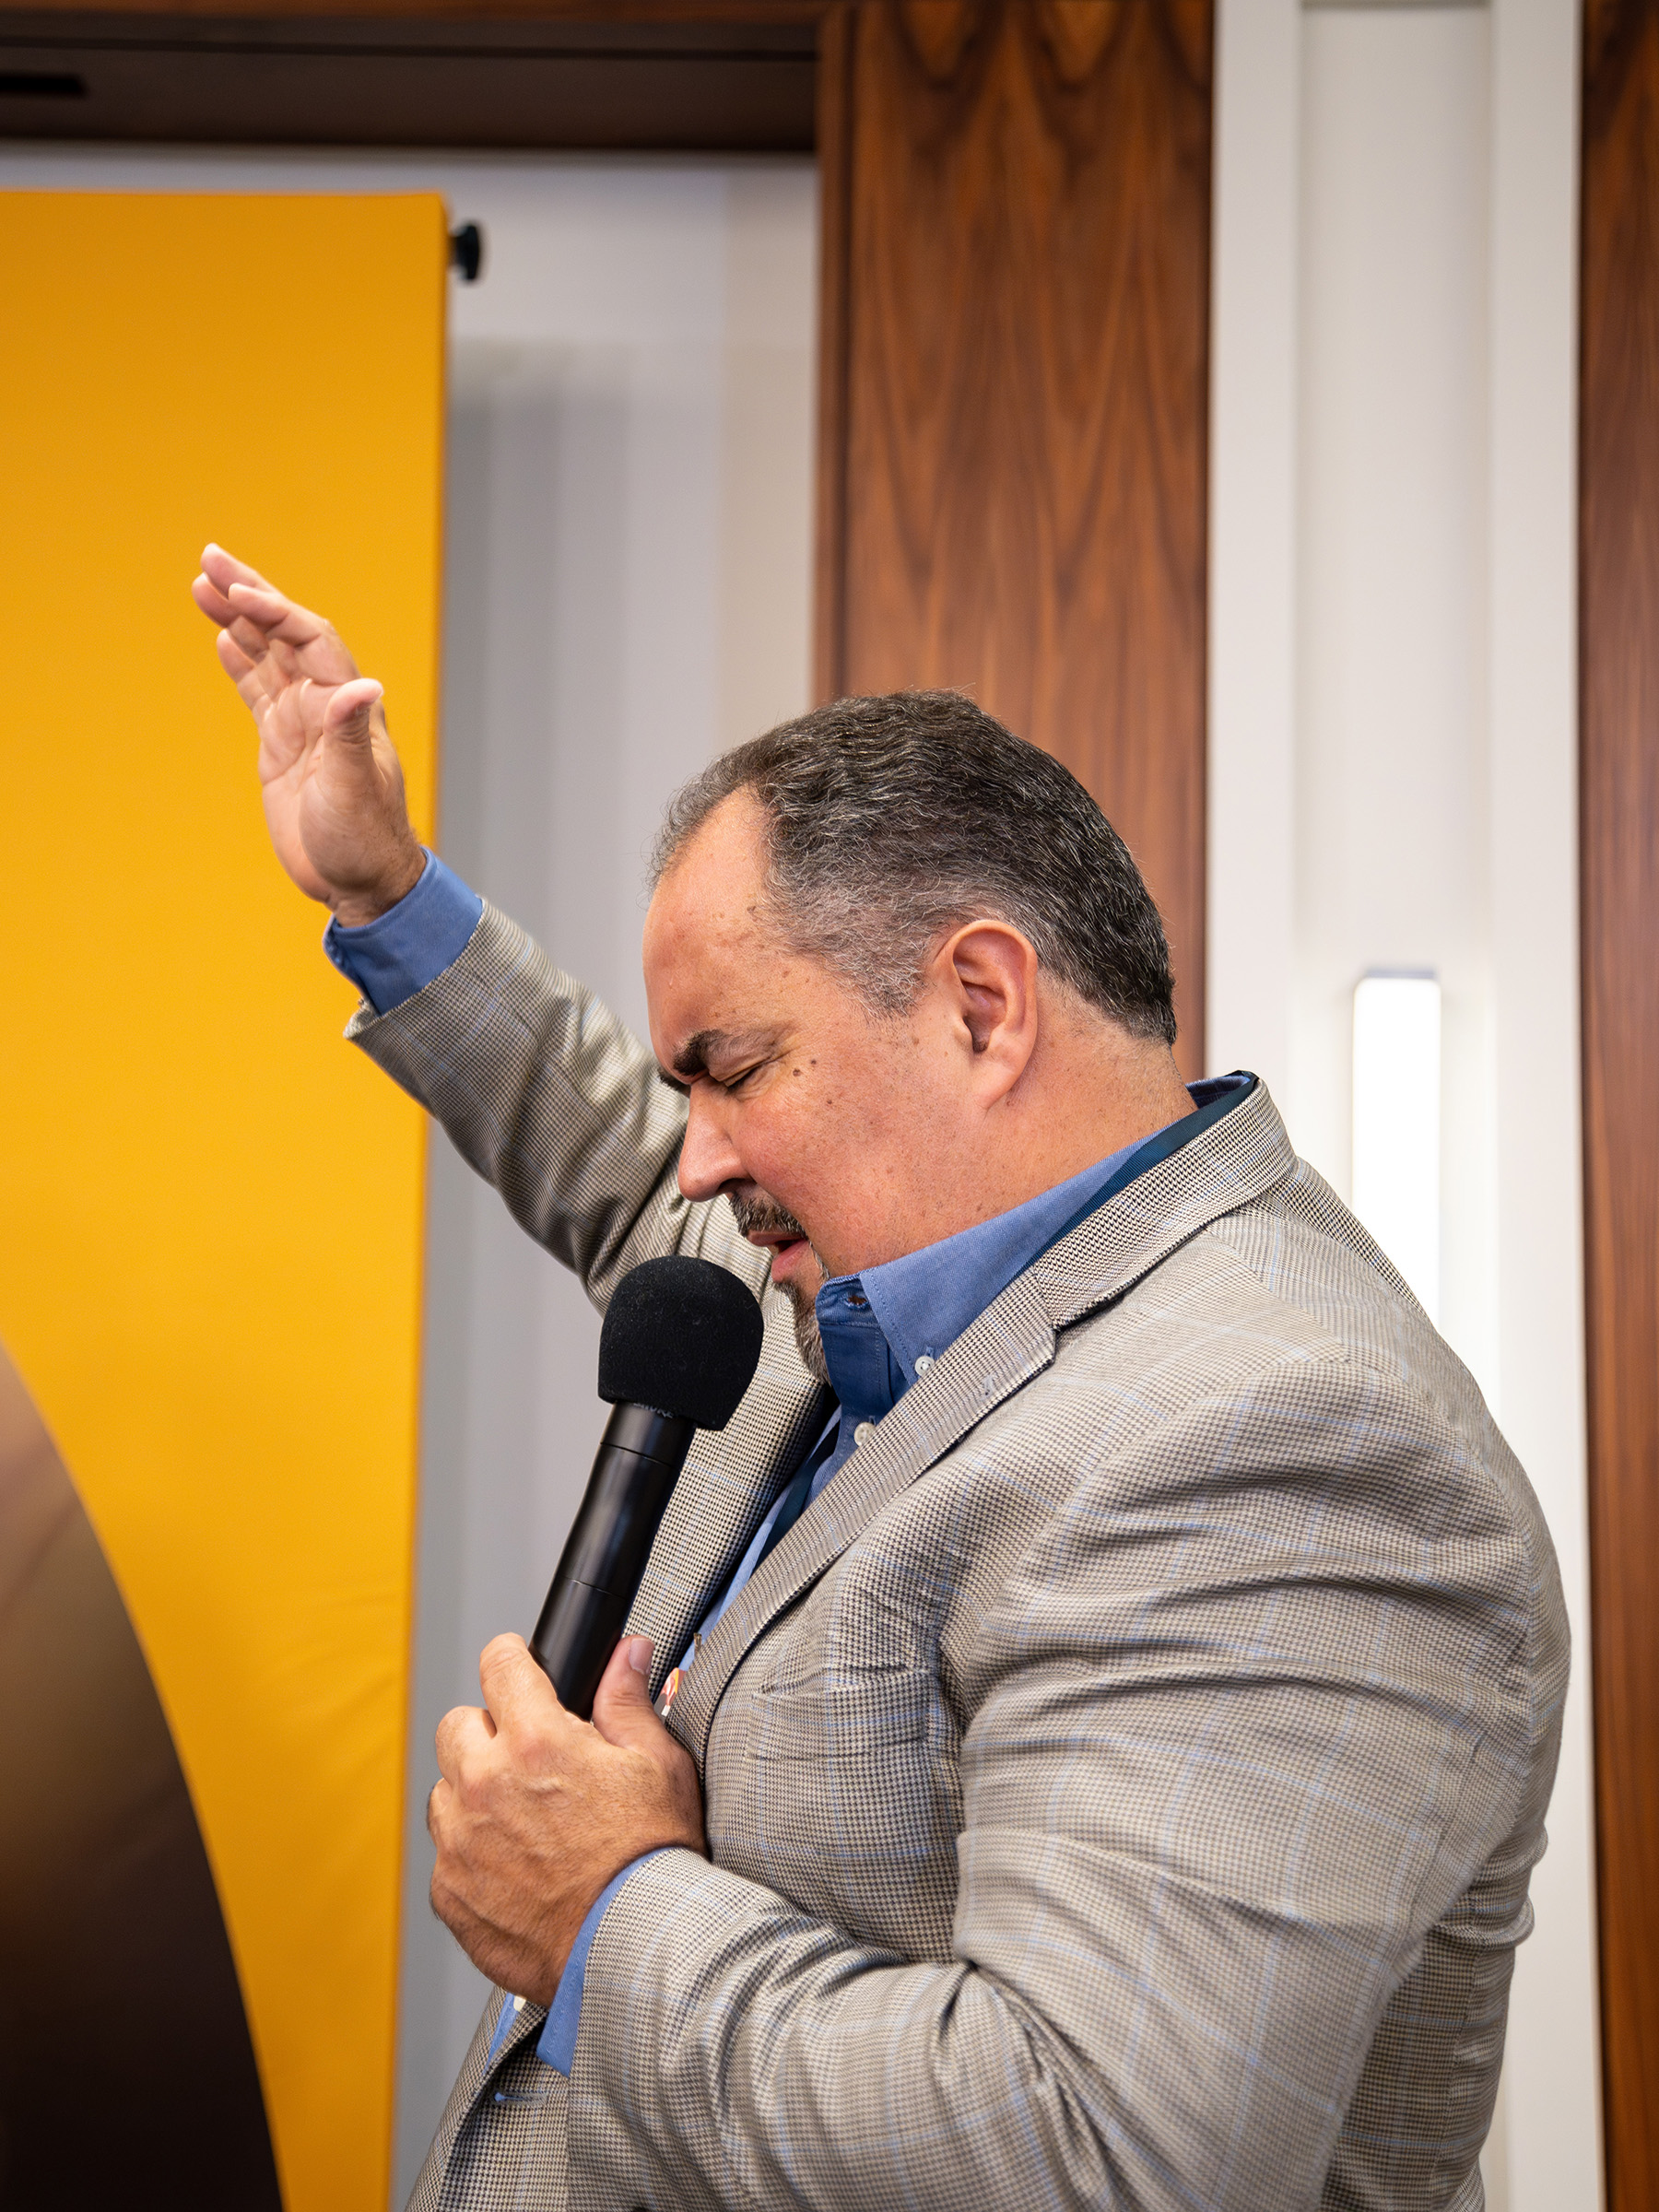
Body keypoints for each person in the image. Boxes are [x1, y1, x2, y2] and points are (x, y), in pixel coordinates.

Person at [194, 544, 1568, 2212]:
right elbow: (627, 1162)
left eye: (738, 1069)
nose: (694, 1166)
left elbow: (1092, 2160)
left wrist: (606, 1916)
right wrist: (387, 894)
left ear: (982, 1008)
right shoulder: (880, 1264)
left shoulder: (1288, 1443)